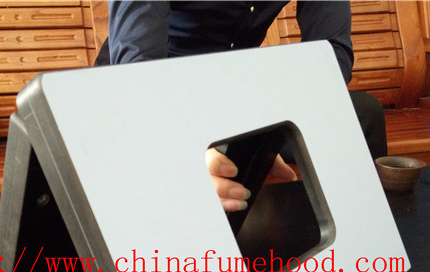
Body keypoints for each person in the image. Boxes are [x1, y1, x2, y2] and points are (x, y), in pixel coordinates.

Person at [95, 1, 387, 211]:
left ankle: (358, 242)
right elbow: (138, 70)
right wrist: (181, 140)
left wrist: (275, 121)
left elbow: (331, 56)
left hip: (233, 88)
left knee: (361, 115)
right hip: (139, 92)